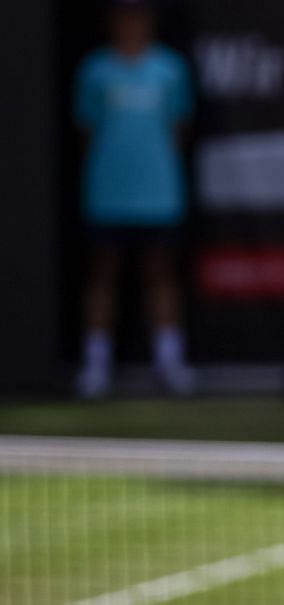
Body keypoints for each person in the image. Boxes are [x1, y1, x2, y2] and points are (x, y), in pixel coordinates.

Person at [73, 0, 195, 399]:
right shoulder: (95, 71)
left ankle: (169, 362)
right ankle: (95, 365)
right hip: (107, 196)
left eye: (137, 16)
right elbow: (87, 130)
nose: (131, 24)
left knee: (161, 275)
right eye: (123, 16)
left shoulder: (169, 70)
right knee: (102, 276)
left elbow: (179, 130)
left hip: (158, 197)